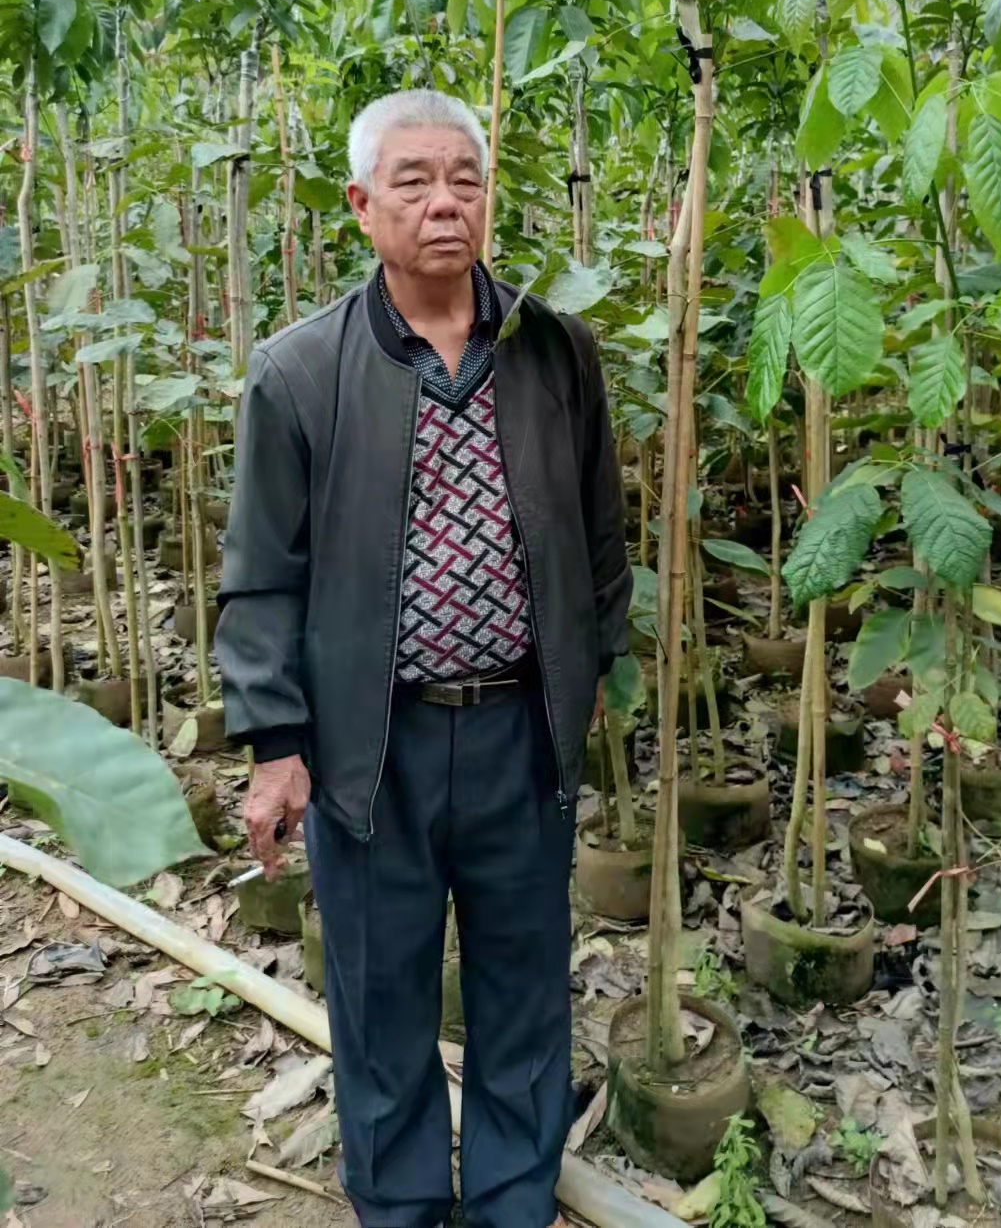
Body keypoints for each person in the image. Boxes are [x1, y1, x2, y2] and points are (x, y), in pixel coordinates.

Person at [216, 88, 631, 1228]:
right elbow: (262, 571)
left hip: (517, 729)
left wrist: (584, 682)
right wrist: (277, 743)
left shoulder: (553, 352)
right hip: (372, 745)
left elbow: (601, 541)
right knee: (381, 993)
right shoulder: (299, 373)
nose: (444, 201)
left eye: (464, 178)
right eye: (412, 181)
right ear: (360, 205)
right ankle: (398, 1206)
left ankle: (509, 1198)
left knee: (522, 986)